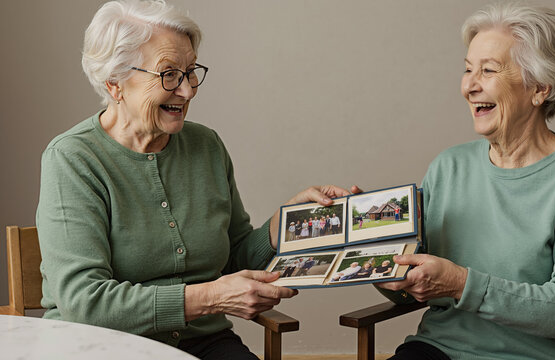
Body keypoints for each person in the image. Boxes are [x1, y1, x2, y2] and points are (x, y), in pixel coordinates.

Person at [35, 1, 361, 359]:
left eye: (191, 72)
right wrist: (209, 298)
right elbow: (85, 303)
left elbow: (233, 259)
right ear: (115, 83)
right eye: (169, 74)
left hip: (204, 343)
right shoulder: (73, 159)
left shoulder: (206, 146)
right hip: (103, 346)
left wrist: (284, 226)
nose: (188, 91)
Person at [377, 3, 555, 360]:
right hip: (438, 349)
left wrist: (462, 284)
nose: (469, 86)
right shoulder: (448, 167)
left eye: (487, 70)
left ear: (539, 88)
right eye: (467, 69)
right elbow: (415, 282)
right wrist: (387, 276)